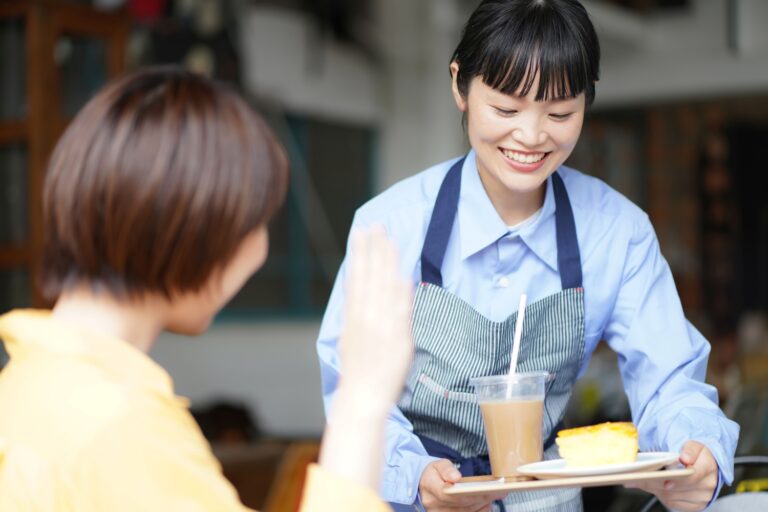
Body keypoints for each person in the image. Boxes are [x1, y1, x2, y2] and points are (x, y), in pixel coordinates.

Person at [317, 1, 740, 511]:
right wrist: (414, 474)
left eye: (560, 112)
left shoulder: (617, 233)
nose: (533, 135)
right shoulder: (389, 227)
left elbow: (670, 380)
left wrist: (700, 451)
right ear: (460, 86)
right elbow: (351, 392)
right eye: (506, 109)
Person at [0, 67, 413, 511]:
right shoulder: (119, 426)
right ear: (198, 225)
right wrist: (362, 402)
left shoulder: (25, 383)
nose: (259, 251)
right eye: (255, 220)